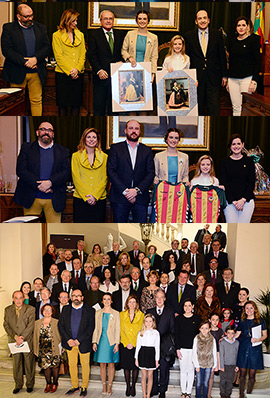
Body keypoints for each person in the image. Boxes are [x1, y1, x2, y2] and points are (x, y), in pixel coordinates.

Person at [13, 121, 70, 223]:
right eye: (43, 129)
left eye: (49, 130)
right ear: (37, 132)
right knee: (30, 232)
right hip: (31, 197)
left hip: (54, 198)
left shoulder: (63, 151)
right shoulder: (26, 148)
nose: (46, 132)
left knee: (54, 232)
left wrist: (50, 183)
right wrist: (40, 185)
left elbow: (66, 172)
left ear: (53, 134)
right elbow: (21, 170)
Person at [0, 4, 50, 116]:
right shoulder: (8, 28)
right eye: (26, 16)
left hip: (36, 72)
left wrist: (35, 59)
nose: (30, 18)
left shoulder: (41, 28)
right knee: (16, 103)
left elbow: (47, 47)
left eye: (31, 15)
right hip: (17, 72)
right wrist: (26, 62)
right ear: (18, 16)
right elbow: (7, 50)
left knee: (37, 101)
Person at [107, 119, 155, 223]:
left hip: (140, 198)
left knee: (139, 230)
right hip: (119, 197)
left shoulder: (147, 150)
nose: (134, 131)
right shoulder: (115, 148)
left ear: (140, 132)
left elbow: (150, 173)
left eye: (136, 128)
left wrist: (136, 191)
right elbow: (111, 171)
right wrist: (126, 191)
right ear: (125, 130)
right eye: (131, 128)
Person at [184, 9, 227, 116]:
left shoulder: (217, 34)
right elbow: (187, 58)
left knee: (214, 108)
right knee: (199, 109)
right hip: (197, 79)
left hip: (214, 77)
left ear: (208, 20)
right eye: (199, 18)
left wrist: (225, 76)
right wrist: (188, 77)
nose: (202, 20)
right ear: (195, 21)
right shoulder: (189, 36)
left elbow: (222, 55)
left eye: (204, 18)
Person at [58, 289, 95, 397]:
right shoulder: (66, 309)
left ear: (82, 297)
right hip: (69, 343)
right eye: (74, 296)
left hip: (83, 343)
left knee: (85, 365)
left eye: (78, 296)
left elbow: (90, 327)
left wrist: (79, 340)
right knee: (72, 365)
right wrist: (68, 339)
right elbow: (61, 326)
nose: (76, 298)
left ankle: (84, 386)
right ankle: (75, 386)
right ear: (71, 297)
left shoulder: (90, 310)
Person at [88, 10, 124, 115]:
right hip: (101, 77)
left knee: (114, 110)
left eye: (110, 19)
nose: (108, 21)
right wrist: (99, 70)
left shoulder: (120, 34)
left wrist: (121, 62)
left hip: (117, 79)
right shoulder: (94, 34)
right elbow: (92, 55)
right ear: (100, 21)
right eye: (105, 18)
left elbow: (124, 52)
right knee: (99, 109)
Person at [52, 9, 86, 116]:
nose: (76, 23)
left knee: (76, 105)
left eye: (76, 21)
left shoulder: (80, 35)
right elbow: (59, 56)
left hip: (78, 74)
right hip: (63, 75)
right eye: (73, 21)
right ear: (66, 21)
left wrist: (77, 69)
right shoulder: (56, 35)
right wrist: (70, 71)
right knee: (63, 105)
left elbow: (82, 54)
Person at [72, 128, 108, 222]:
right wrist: (87, 197)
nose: (91, 139)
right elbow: (76, 178)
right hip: (81, 199)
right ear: (84, 139)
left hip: (99, 199)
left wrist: (95, 196)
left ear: (97, 140)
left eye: (94, 137)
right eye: (88, 137)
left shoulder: (105, 157)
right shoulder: (75, 156)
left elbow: (104, 178)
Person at [227, 17, 261, 116]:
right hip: (233, 79)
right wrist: (229, 80)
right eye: (239, 25)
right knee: (236, 108)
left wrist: (254, 81)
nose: (241, 28)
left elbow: (257, 61)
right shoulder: (232, 41)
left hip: (247, 79)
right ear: (236, 28)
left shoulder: (254, 40)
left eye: (243, 25)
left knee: (246, 108)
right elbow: (231, 61)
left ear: (248, 27)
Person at [3, 290, 35, 394]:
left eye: (20, 298)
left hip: (26, 340)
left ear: (23, 299)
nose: (18, 300)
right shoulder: (7, 310)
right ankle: (18, 384)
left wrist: (22, 337)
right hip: (14, 341)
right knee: (16, 364)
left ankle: (30, 385)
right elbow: (6, 325)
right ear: (13, 299)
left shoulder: (30, 309)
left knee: (28, 363)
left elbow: (31, 325)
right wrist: (15, 337)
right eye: (16, 298)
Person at [220, 134, 256, 223]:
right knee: (232, 228)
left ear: (243, 145)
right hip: (230, 203)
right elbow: (224, 183)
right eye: (233, 144)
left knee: (243, 230)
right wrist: (234, 201)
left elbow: (251, 182)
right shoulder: (224, 162)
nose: (236, 146)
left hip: (247, 202)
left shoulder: (249, 161)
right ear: (230, 146)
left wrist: (243, 200)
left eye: (238, 143)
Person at [236, 301, 267, 398]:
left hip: (255, 349)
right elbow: (237, 334)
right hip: (244, 348)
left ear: (255, 309)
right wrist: (226, 338)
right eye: (247, 308)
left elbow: (265, 335)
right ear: (244, 310)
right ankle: (241, 395)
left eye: (251, 308)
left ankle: (249, 393)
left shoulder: (260, 320)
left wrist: (258, 339)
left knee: (252, 374)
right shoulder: (242, 321)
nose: (249, 310)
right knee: (242, 373)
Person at [147, 289, 175, 398]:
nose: (159, 299)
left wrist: (169, 346)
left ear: (164, 299)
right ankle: (154, 388)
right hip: (152, 345)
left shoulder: (170, 312)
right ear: (155, 299)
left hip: (164, 345)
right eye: (157, 297)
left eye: (161, 297)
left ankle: (162, 390)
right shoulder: (149, 311)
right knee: (153, 368)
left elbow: (172, 330)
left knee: (164, 369)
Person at [92, 293, 120, 396]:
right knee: (102, 364)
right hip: (101, 341)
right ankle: (104, 384)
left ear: (111, 301)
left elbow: (118, 329)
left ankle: (110, 385)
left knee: (111, 364)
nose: (107, 301)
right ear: (102, 301)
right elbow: (96, 328)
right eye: (105, 299)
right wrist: (94, 341)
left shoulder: (116, 313)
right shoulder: (98, 313)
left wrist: (117, 343)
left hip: (111, 341)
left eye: (109, 299)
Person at [122, 10, 158, 82]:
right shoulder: (130, 34)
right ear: (136, 21)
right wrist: (129, 58)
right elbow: (124, 50)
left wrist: (153, 72)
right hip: (131, 69)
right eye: (139, 19)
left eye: (144, 19)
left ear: (148, 21)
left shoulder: (154, 37)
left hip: (146, 70)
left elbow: (154, 57)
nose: (142, 21)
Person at [33, 303, 61, 393]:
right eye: (45, 309)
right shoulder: (37, 323)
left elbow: (61, 335)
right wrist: (35, 349)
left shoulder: (57, 322)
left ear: (52, 312)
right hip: (43, 350)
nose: (47, 311)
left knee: (55, 367)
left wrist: (62, 346)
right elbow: (34, 337)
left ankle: (55, 383)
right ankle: (48, 383)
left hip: (54, 347)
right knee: (46, 367)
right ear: (42, 311)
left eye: (49, 310)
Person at [175, 299, 201, 398]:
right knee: (183, 370)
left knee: (191, 370)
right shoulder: (179, 319)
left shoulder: (197, 319)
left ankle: (188, 392)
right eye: (185, 306)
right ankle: (183, 391)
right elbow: (176, 334)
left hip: (193, 349)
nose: (187, 308)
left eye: (189, 305)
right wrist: (177, 348)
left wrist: (197, 349)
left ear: (193, 306)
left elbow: (199, 335)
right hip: (182, 348)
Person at [120, 294, 144, 397]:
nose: (132, 304)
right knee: (126, 367)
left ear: (137, 304)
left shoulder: (141, 315)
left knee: (135, 366)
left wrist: (133, 343)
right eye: (130, 302)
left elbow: (141, 330)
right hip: (125, 345)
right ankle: (127, 386)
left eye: (134, 302)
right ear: (127, 303)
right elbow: (121, 330)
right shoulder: (121, 314)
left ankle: (133, 386)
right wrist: (126, 343)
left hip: (136, 344)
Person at [135, 314, 160, 398]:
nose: (148, 323)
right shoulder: (141, 333)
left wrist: (157, 359)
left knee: (150, 375)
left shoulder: (156, 333)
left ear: (153, 322)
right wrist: (136, 358)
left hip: (152, 353)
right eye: (146, 321)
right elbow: (138, 346)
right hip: (142, 353)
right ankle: (144, 394)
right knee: (144, 375)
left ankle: (148, 394)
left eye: (150, 321)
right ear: (144, 322)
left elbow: (157, 347)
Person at [192, 320, 218, 398]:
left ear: (210, 329)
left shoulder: (212, 339)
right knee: (199, 383)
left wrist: (214, 365)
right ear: (199, 329)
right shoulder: (197, 338)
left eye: (206, 328)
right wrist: (196, 365)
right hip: (199, 364)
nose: (204, 330)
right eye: (202, 328)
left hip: (209, 364)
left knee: (206, 383)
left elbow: (214, 352)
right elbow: (194, 352)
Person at [219, 325, 239, 398]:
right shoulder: (223, 343)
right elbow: (221, 355)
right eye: (229, 333)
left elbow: (237, 354)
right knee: (223, 381)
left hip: (232, 365)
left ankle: (228, 394)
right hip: (224, 365)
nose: (230, 335)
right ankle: (223, 394)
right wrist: (221, 366)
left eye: (232, 333)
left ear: (235, 334)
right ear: (225, 333)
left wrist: (237, 365)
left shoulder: (237, 343)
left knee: (230, 381)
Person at [208, 313, 223, 398]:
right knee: (205, 375)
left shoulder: (220, 331)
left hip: (216, 354)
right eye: (213, 319)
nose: (215, 322)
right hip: (206, 355)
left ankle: (208, 394)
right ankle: (203, 392)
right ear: (210, 320)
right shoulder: (207, 330)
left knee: (211, 375)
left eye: (217, 320)